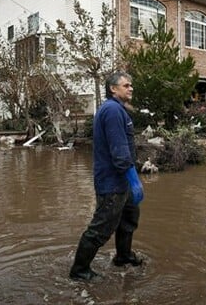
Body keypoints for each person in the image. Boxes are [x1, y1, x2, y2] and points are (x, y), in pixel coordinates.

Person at [69, 71, 142, 281]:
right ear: (113, 89)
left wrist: (131, 179)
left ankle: (123, 257)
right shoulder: (111, 111)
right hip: (113, 182)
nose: (131, 88)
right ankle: (79, 270)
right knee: (101, 227)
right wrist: (134, 180)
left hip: (123, 181)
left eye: (131, 85)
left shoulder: (118, 110)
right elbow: (119, 151)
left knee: (128, 219)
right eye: (126, 85)